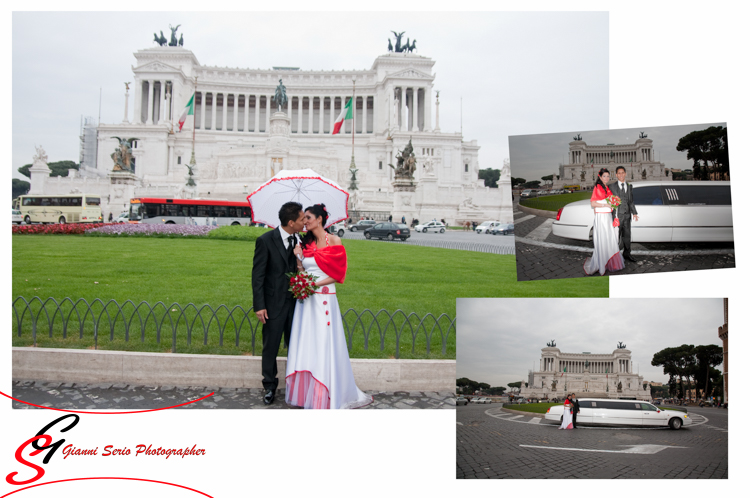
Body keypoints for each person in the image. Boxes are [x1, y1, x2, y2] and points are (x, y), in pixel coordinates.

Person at [286, 204, 373, 409]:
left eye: (307, 217)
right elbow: (301, 272)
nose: (304, 221)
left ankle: (327, 391)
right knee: (307, 341)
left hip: (324, 299)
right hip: (306, 301)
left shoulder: (334, 240)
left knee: (324, 342)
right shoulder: (304, 243)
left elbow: (337, 275)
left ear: (319, 219)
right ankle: (306, 393)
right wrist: (298, 259)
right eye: (303, 218)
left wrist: (311, 284)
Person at [252, 201, 306, 405]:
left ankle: (297, 385)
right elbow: (258, 276)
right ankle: (269, 385)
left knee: (296, 346)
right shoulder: (265, 241)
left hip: (296, 305)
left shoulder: (300, 240)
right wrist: (259, 305)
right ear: (291, 222)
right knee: (271, 346)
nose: (304, 222)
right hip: (272, 304)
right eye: (302, 219)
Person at [583, 168, 625, 276]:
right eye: (604, 176)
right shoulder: (598, 187)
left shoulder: (606, 187)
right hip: (601, 217)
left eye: (608, 176)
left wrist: (614, 202)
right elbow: (593, 204)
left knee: (608, 239)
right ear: (600, 177)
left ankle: (607, 261)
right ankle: (601, 264)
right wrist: (605, 205)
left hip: (606, 216)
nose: (606, 178)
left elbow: (610, 199)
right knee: (602, 239)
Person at [610, 166, 639, 262]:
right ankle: (614, 255)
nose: (621, 175)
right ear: (616, 175)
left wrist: (634, 213)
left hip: (627, 216)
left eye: (623, 173)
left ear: (625, 174)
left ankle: (627, 254)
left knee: (627, 236)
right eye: (619, 173)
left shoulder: (629, 186)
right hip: (617, 217)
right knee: (616, 237)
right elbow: (608, 200)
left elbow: (631, 201)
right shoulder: (611, 186)